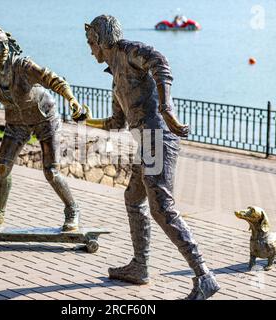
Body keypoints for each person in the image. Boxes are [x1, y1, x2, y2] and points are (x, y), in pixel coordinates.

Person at [82, 15, 220, 300]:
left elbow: (159, 62)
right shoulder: (115, 74)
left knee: (162, 209)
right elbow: (117, 123)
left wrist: (167, 109)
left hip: (157, 140)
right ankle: (140, 267)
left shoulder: (127, 51)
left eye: (90, 43)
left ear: (98, 39)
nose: (90, 50)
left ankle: (204, 276)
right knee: (133, 198)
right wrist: (88, 121)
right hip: (146, 144)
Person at [0, 26, 85, 232]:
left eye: (4, 43)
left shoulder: (23, 66)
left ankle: (72, 209)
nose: (3, 47)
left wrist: (71, 99)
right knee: (2, 168)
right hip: (16, 122)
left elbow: (52, 79)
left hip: (44, 118)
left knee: (51, 172)